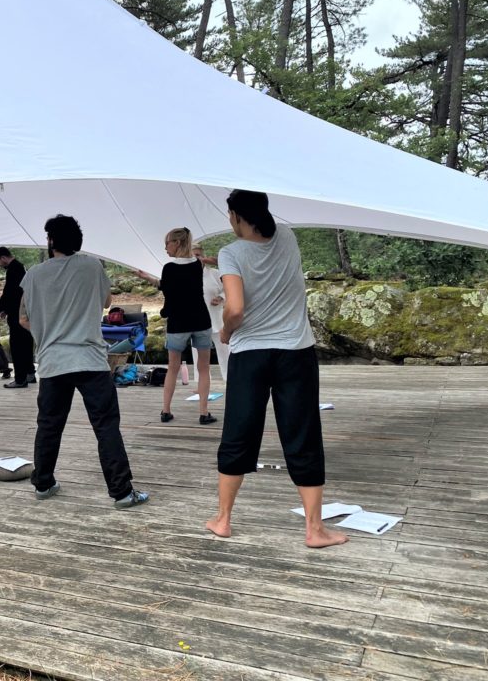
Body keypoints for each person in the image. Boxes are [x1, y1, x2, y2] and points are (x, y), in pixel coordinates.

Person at [205, 190, 348, 548]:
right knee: (302, 433)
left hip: (251, 354)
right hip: (295, 352)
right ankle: (315, 529)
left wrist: (224, 330)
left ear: (237, 216)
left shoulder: (230, 253)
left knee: (239, 431)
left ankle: (223, 519)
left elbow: (235, 308)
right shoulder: (287, 236)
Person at [20, 214, 149, 510]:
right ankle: (122, 493)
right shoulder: (92, 266)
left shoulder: (33, 275)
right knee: (106, 427)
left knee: (49, 426)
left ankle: (43, 484)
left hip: (53, 361)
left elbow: (23, 318)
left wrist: (48, 329)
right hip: (90, 359)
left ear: (50, 240)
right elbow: (106, 302)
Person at [137, 227, 216, 424]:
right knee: (204, 368)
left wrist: (164, 311)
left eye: (167, 243)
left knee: (172, 368)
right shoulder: (197, 265)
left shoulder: (169, 268)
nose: (165, 248)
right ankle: (204, 413)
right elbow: (176, 285)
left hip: (178, 323)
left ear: (177, 243)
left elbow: (170, 290)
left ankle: (166, 410)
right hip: (201, 320)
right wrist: (148, 278)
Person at [0, 246, 36, 388]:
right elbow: (16, 294)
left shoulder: (13, 269)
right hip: (23, 312)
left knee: (17, 346)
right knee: (26, 343)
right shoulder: (20, 267)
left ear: (3, 258)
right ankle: (30, 373)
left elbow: (9, 293)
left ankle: (20, 379)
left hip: (18, 316)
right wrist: (6, 309)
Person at [192, 243, 229, 383]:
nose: (196, 258)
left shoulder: (215, 273)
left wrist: (221, 298)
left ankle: (229, 379)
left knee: (224, 350)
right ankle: (201, 382)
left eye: (198, 255)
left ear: (203, 256)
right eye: (192, 255)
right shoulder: (185, 275)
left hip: (217, 318)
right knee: (198, 354)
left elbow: (228, 289)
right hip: (196, 321)